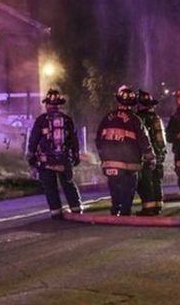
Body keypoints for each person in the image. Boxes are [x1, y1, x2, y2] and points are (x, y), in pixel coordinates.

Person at [96, 86, 153, 216]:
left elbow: (98, 139)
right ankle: (125, 211)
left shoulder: (107, 117)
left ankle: (115, 208)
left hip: (110, 161)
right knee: (128, 188)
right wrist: (150, 155)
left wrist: (102, 155)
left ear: (118, 101)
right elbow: (143, 139)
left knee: (114, 186)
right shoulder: (135, 119)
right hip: (129, 163)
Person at [27, 89, 83, 219]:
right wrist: (75, 155)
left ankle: (56, 213)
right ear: (59, 104)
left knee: (50, 188)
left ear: (47, 104)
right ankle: (76, 210)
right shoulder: (67, 120)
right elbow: (74, 140)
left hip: (46, 161)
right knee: (68, 184)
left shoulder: (41, 120)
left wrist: (31, 158)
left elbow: (33, 140)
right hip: (64, 160)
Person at [135, 90, 167, 216]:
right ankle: (158, 205)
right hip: (159, 153)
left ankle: (148, 208)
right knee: (157, 179)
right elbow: (161, 138)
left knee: (145, 181)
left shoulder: (139, 118)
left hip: (147, 155)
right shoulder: (156, 118)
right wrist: (162, 152)